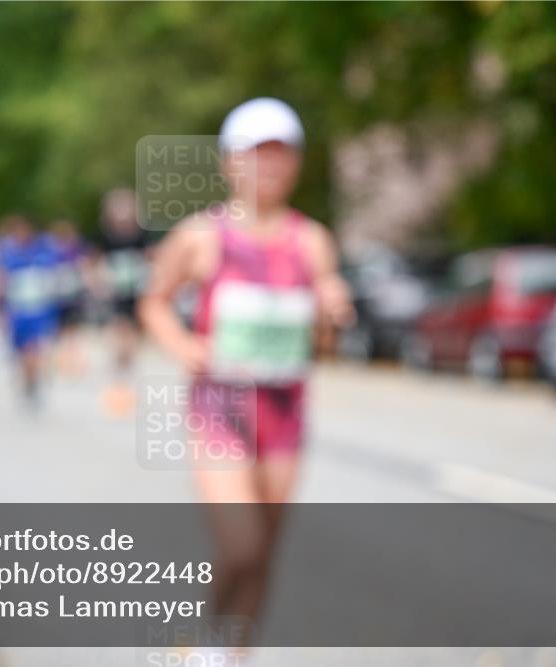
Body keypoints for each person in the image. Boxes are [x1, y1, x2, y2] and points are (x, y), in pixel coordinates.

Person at [139, 98, 354, 652]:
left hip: (284, 413)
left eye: (282, 157)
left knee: (264, 554)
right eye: (257, 156)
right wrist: (182, 344)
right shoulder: (200, 236)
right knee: (242, 545)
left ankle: (230, 653)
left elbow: (322, 344)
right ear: (229, 163)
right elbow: (154, 302)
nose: (270, 168)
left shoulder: (312, 241)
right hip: (220, 410)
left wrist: (332, 312)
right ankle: (209, 641)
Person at [0, 215, 60, 409]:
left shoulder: (43, 253)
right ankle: (27, 380)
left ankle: (34, 380)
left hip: (39, 310)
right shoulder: (7, 255)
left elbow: (53, 277)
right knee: (22, 353)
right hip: (17, 311)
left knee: (34, 350)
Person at [95, 188, 151, 415]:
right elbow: (96, 260)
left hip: (135, 290)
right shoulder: (106, 236)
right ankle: (118, 368)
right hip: (115, 291)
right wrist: (99, 280)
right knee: (119, 329)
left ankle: (126, 364)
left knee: (131, 335)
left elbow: (151, 256)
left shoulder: (140, 234)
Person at [47, 218, 90, 377]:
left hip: (74, 297)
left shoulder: (77, 250)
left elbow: (85, 267)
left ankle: (74, 362)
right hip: (59, 299)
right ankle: (64, 362)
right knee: (61, 333)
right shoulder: (52, 252)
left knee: (74, 332)